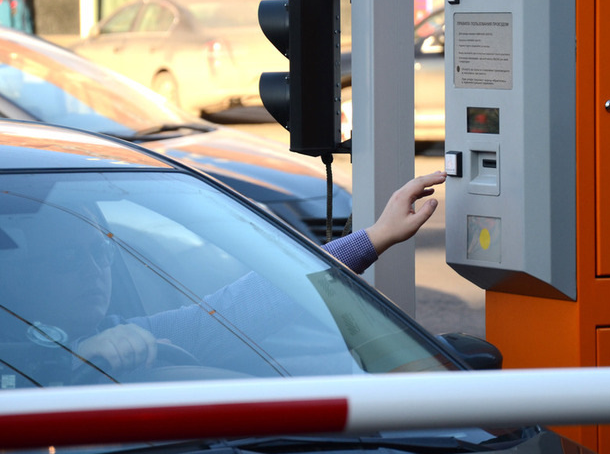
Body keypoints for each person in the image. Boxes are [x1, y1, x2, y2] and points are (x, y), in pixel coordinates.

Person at [0, 170, 446, 377]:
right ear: (17, 277)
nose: (95, 271)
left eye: (101, 253)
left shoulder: (138, 333)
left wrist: (376, 236)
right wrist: (69, 358)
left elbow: (254, 302)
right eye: (69, 260)